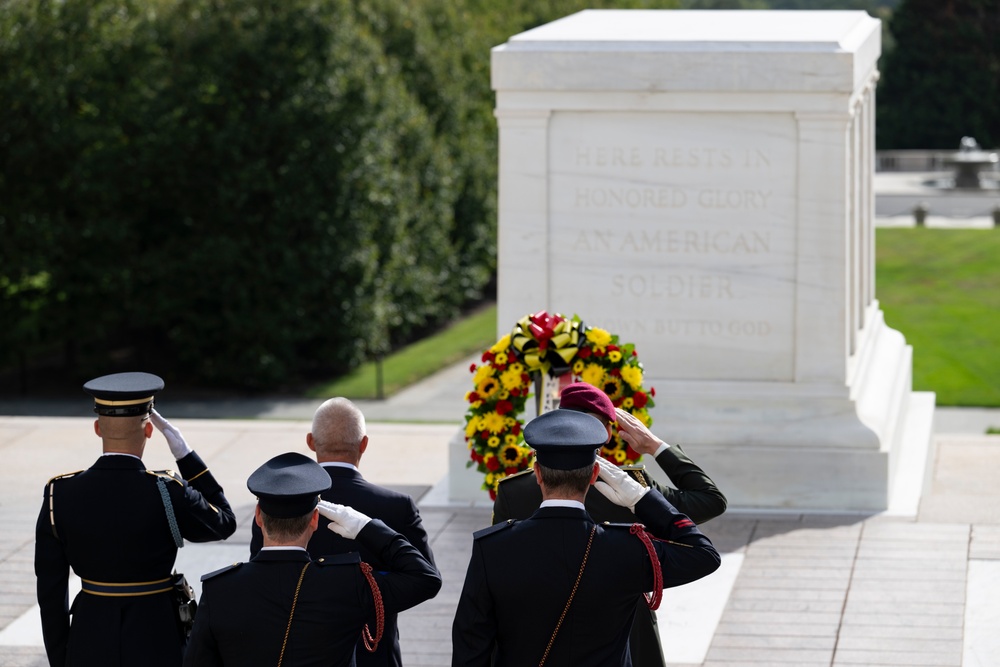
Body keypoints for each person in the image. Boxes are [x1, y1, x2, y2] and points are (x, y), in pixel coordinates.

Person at [452, 409, 721, 666]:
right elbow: (704, 555)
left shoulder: (493, 549)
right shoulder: (628, 549)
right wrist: (643, 500)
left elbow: (471, 646)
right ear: (594, 474)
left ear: (537, 474)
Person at [34, 371, 237, 667]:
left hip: (90, 637)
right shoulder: (167, 490)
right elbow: (225, 522)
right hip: (157, 639)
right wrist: (186, 456)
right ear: (150, 430)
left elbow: (50, 592)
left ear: (97, 428)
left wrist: (62, 657)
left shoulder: (59, 494)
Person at [186, 452, 442, 667]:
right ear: (315, 520)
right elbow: (425, 578)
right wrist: (366, 527)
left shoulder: (219, 590)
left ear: (258, 517)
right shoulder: (346, 584)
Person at [249, 397, 438, 667]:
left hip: (296, 652)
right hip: (372, 652)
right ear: (364, 444)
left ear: (311, 442)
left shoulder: (279, 501)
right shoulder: (396, 506)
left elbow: (263, 573)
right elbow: (423, 577)